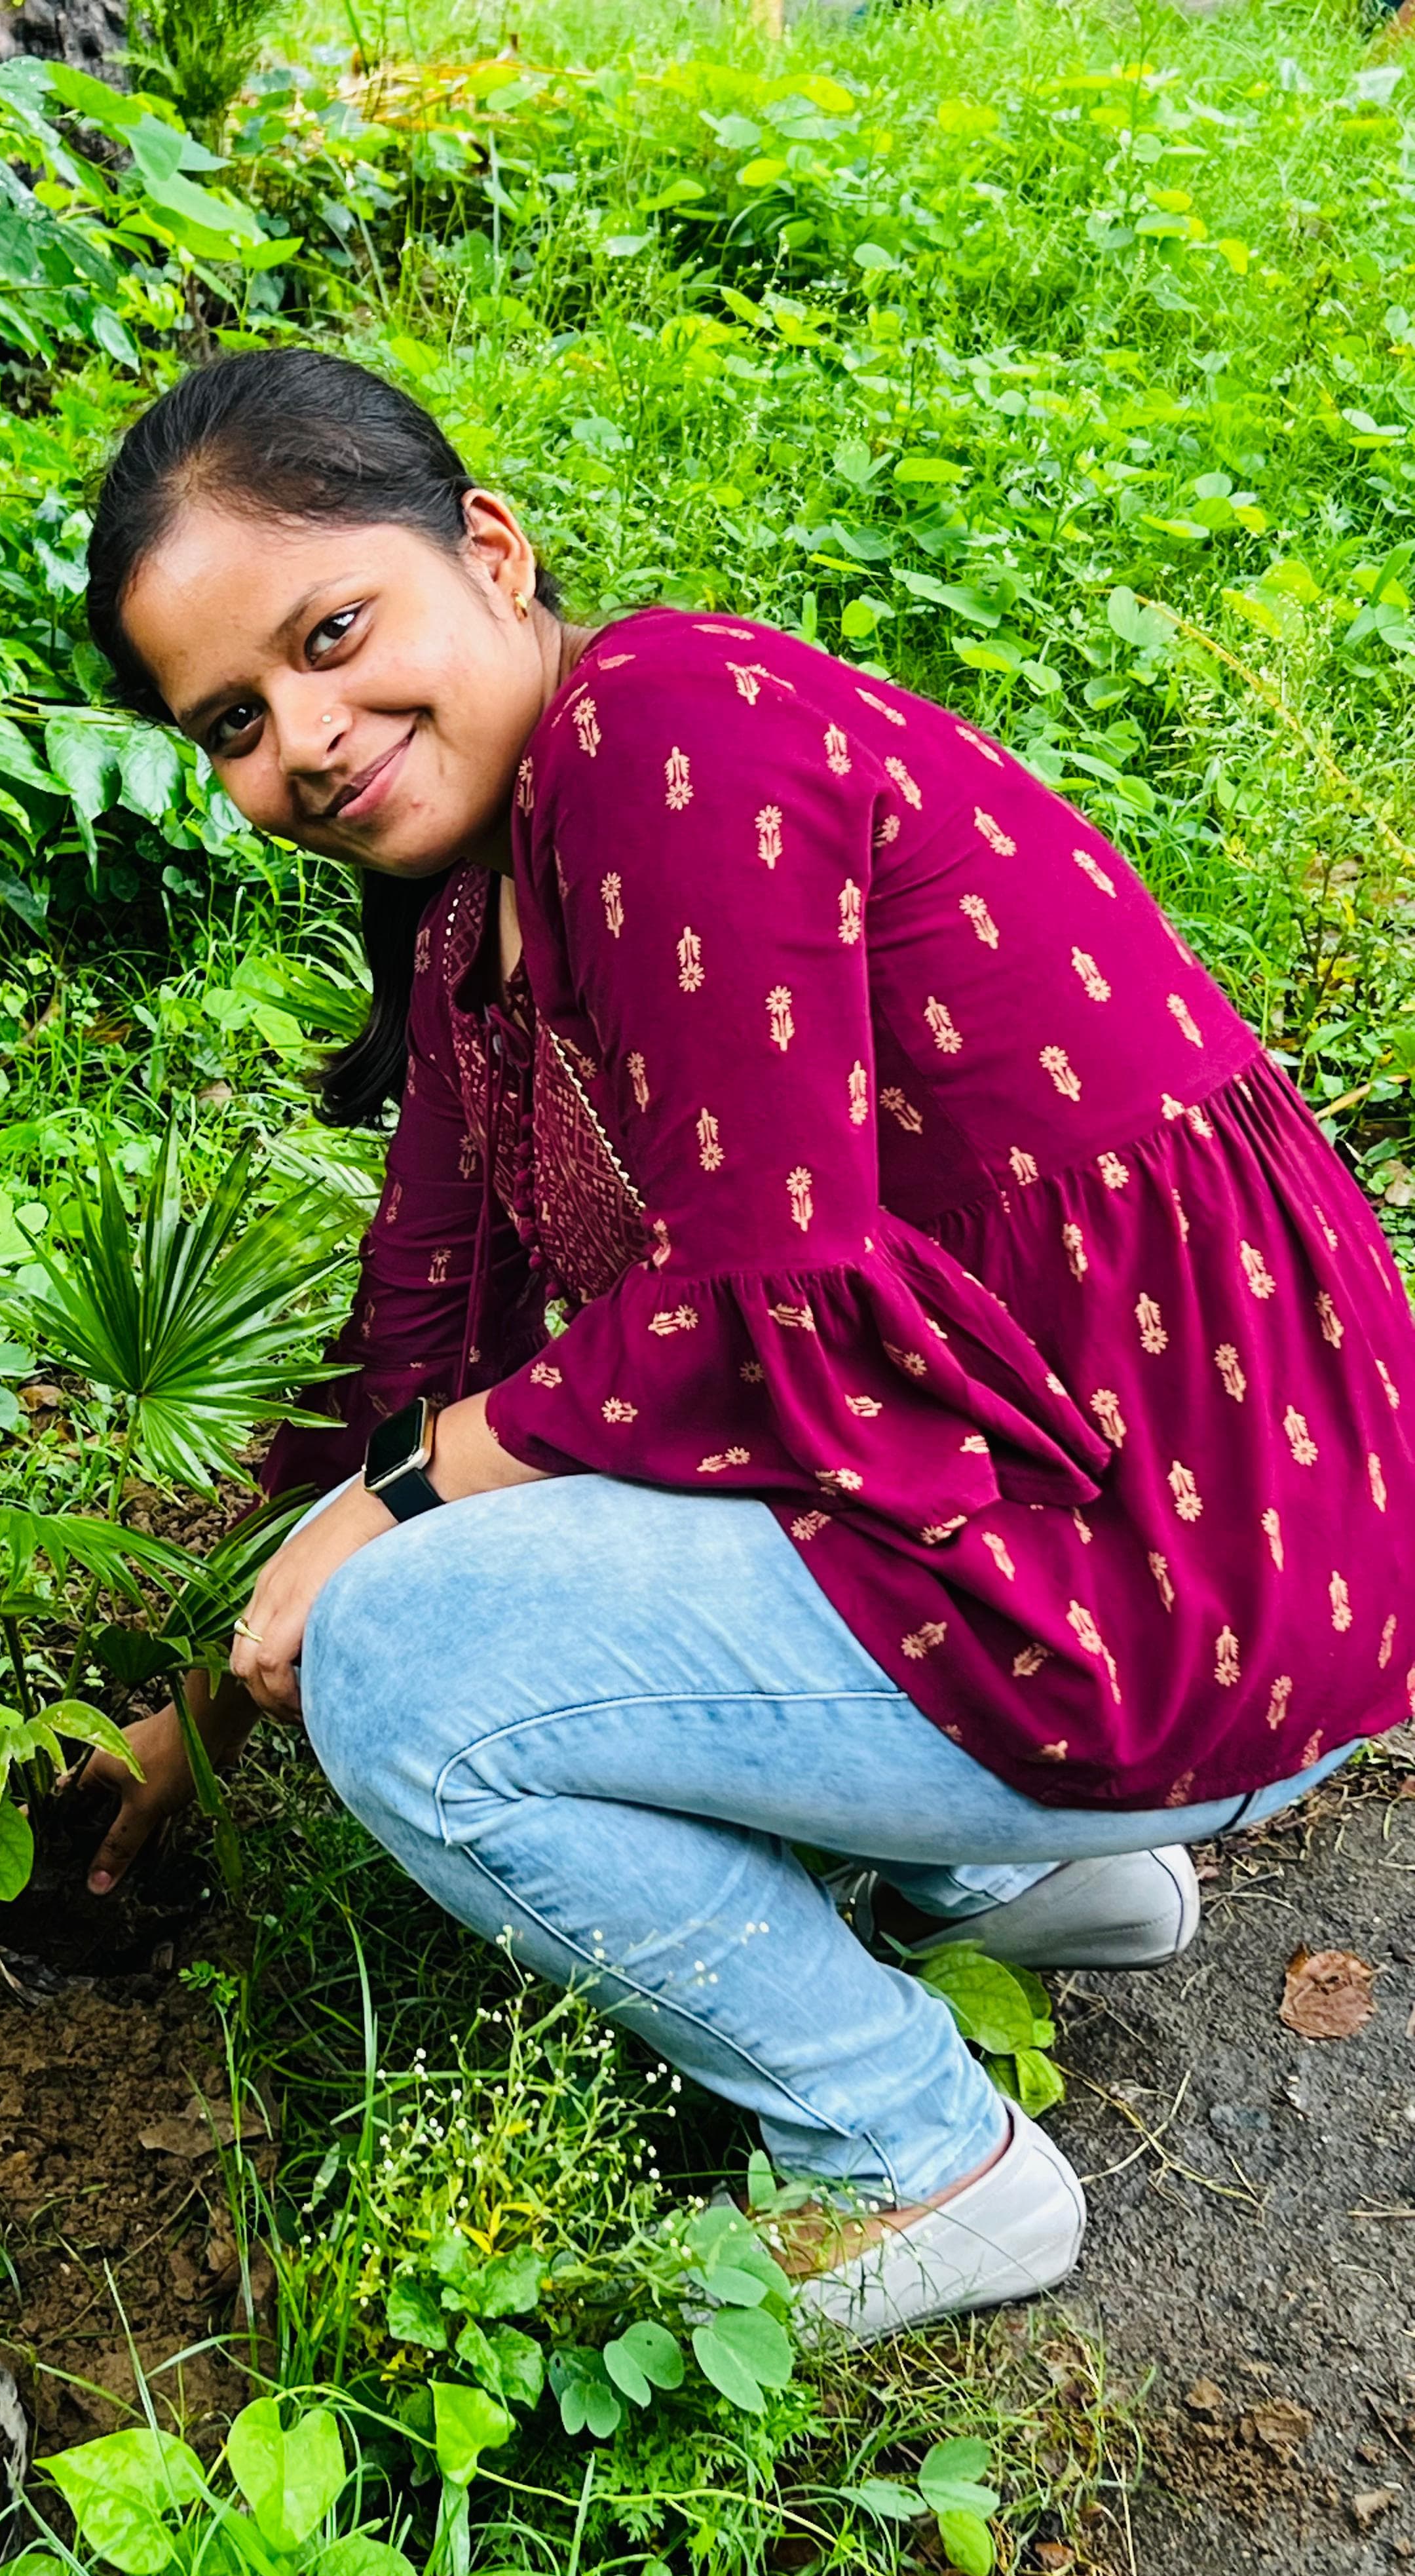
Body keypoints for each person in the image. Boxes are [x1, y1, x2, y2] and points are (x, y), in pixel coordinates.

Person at [71, 346, 1415, 2338]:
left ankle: (911, 2159)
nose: (314, 737)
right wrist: (188, 1707)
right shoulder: (475, 915)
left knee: (407, 1660)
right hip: (1134, 1521)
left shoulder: (661, 732)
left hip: (1183, 1550)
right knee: (413, 1551)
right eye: (240, 720)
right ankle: (1039, 1884)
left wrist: (398, 1516)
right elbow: (411, 1346)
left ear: (493, 551)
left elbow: (760, 1307)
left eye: (335, 631)